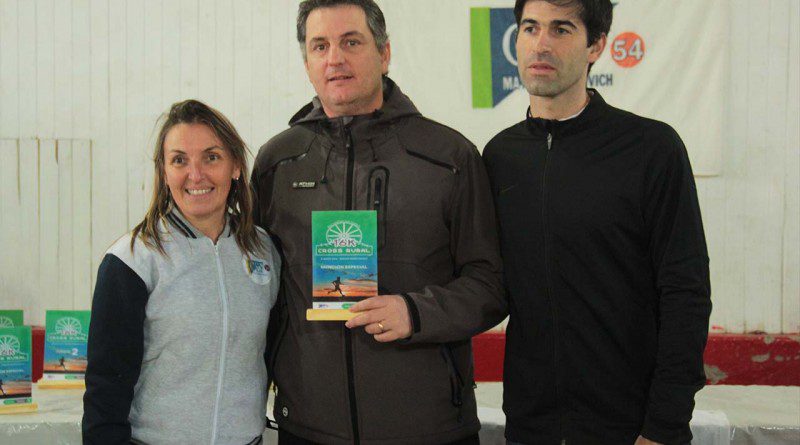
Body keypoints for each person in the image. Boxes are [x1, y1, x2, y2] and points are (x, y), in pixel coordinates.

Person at [251, 1, 506, 443]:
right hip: (309, 428)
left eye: (351, 42)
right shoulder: (278, 162)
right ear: (307, 62)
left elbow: (490, 285)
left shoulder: (449, 157)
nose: (335, 59)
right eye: (320, 46)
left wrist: (415, 313)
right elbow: (258, 287)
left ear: (384, 53)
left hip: (429, 429)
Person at [482, 1, 712, 444]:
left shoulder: (651, 149)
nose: (541, 44)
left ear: (596, 46)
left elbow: (686, 294)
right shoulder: (499, 157)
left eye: (561, 29)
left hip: (632, 428)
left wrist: (664, 426)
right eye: (530, 28)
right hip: (531, 427)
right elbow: (491, 285)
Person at [82, 100, 281, 445]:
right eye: (179, 160)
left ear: (235, 166)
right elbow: (106, 386)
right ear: (164, 172)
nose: (196, 174)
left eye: (211, 157)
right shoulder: (132, 260)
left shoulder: (265, 251)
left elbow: (271, 354)